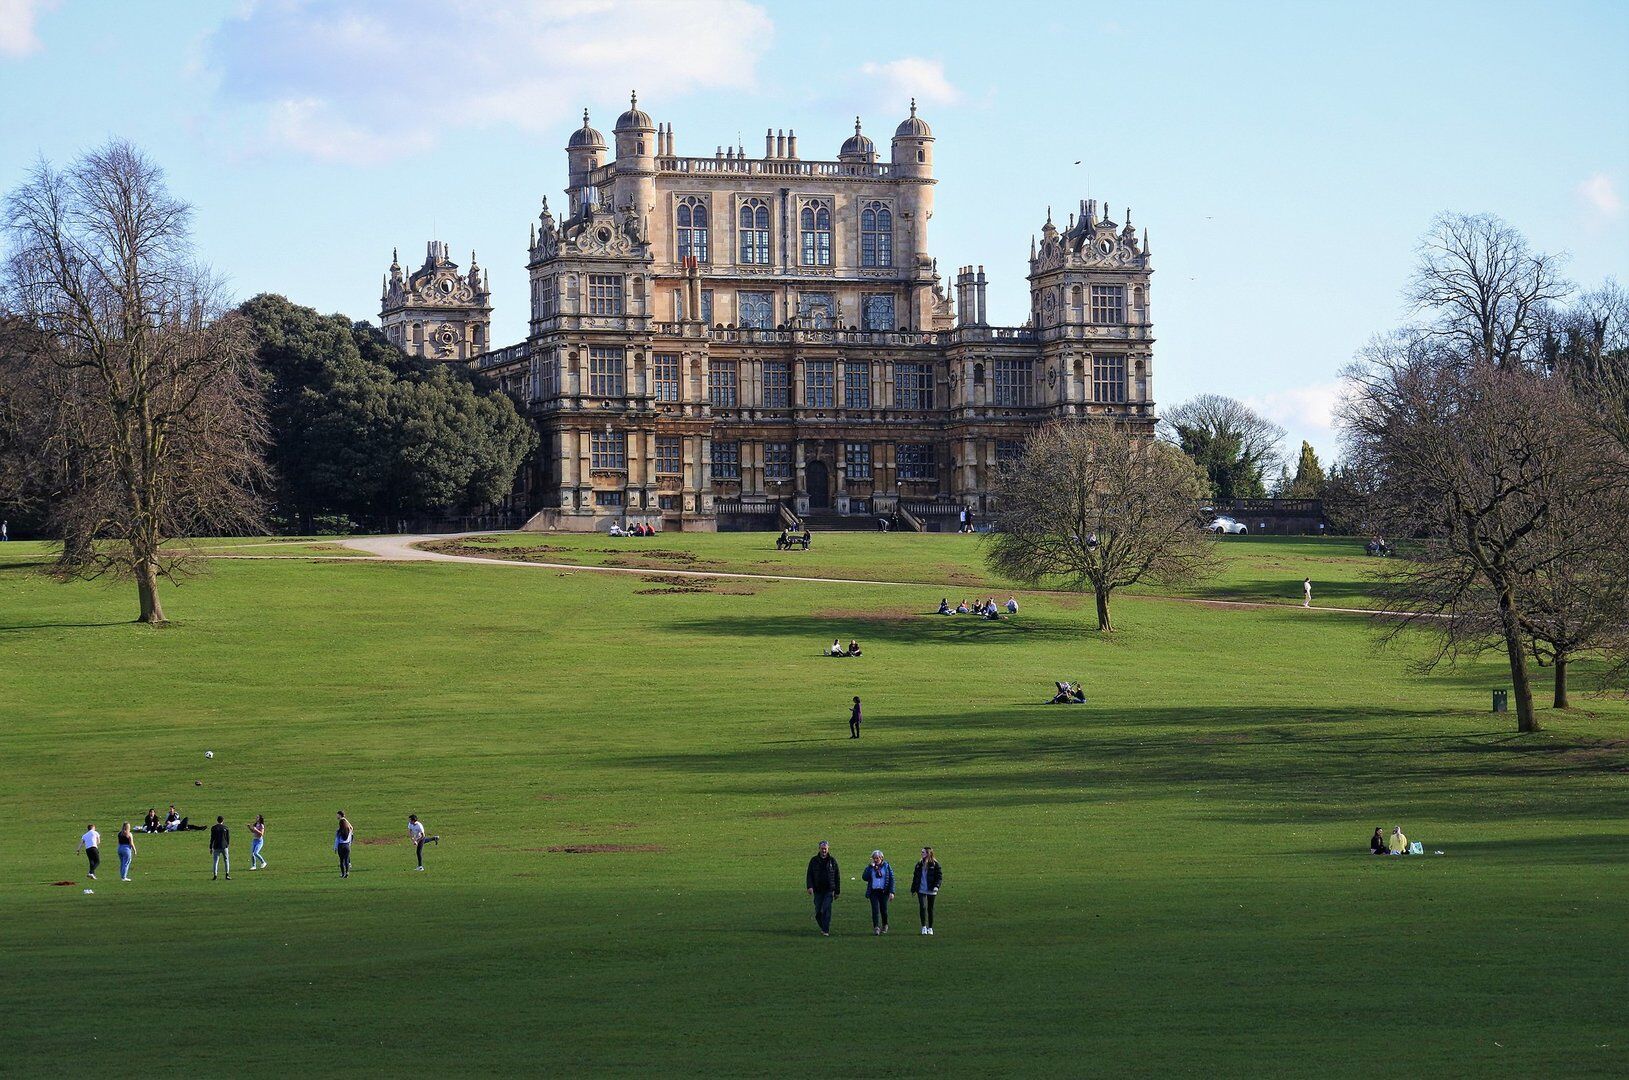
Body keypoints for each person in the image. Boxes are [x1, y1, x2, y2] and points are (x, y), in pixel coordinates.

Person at [805, 841, 841, 936]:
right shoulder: (814, 861)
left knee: (826, 909)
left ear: (828, 849)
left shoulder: (832, 861)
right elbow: (809, 874)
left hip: (829, 890)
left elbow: (837, 876)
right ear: (819, 849)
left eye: (825, 848)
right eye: (822, 848)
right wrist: (809, 886)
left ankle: (826, 930)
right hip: (818, 890)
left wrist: (837, 891)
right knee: (818, 912)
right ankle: (823, 927)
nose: (824, 850)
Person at [862, 850, 896, 935]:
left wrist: (892, 892)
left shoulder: (886, 866)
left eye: (877, 858)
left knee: (883, 909)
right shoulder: (870, 867)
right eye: (874, 858)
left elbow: (891, 879)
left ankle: (885, 925)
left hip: (883, 891)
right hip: (874, 891)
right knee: (875, 909)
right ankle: (876, 927)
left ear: (881, 858)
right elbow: (864, 877)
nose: (876, 860)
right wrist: (870, 868)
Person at [911, 847, 942, 935]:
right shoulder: (919, 864)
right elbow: (915, 877)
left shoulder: (935, 864)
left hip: (931, 890)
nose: (922, 854)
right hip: (921, 889)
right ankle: (924, 926)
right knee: (923, 907)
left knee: (930, 908)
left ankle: (930, 928)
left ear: (928, 853)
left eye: (923, 852)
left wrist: (937, 886)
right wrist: (913, 888)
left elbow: (939, 877)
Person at [209, 816, 231, 880]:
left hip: (216, 846)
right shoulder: (226, 828)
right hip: (224, 846)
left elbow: (212, 838)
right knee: (226, 860)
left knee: (216, 861)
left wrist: (210, 847)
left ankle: (215, 875)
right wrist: (227, 845)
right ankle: (227, 874)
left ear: (217, 820)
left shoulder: (214, 828)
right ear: (223, 820)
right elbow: (228, 838)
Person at [335, 811, 354, 878]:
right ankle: (347, 872)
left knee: (341, 860)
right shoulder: (348, 830)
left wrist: (335, 847)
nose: (336, 816)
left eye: (337, 815)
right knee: (346, 860)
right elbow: (351, 828)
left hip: (341, 846)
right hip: (347, 845)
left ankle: (343, 874)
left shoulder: (339, 831)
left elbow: (337, 840)